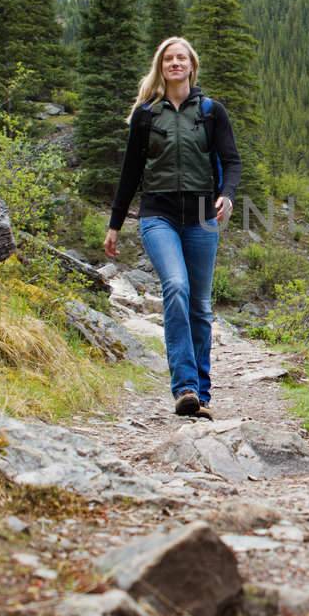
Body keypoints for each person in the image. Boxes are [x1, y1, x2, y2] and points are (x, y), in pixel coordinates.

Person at [104, 36, 241, 419]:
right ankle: (184, 387)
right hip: (157, 214)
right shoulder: (147, 114)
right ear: (161, 67)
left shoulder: (213, 112)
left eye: (181, 58)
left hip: (201, 215)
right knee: (176, 288)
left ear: (192, 66)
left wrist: (226, 196)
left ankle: (203, 391)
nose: (175, 63)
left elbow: (232, 162)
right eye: (169, 59)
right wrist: (115, 225)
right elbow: (130, 172)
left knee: (200, 304)